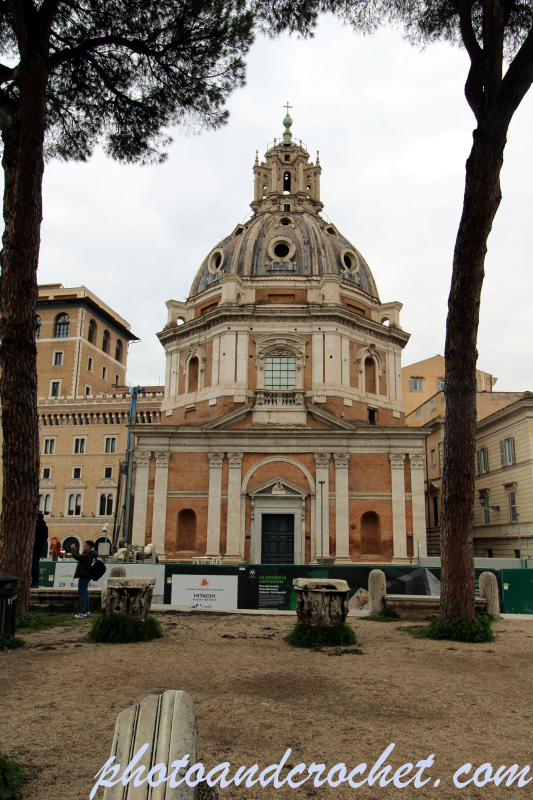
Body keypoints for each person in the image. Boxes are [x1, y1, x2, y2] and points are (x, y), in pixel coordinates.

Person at [70, 540, 98, 618]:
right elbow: (79, 556)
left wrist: (72, 549)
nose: (83, 546)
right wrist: (75, 550)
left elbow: (75, 556)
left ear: (89, 547)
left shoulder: (87, 556)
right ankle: (86, 610)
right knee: (85, 593)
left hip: (84, 576)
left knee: (82, 593)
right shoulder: (88, 555)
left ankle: (83, 612)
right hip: (86, 576)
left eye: (85, 545)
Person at [31, 512, 49, 588]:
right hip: (41, 547)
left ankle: (34, 582)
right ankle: (36, 582)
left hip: (35, 547)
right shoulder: (45, 527)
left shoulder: (36, 526)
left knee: (33, 565)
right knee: (37, 565)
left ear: (37, 518)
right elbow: (46, 538)